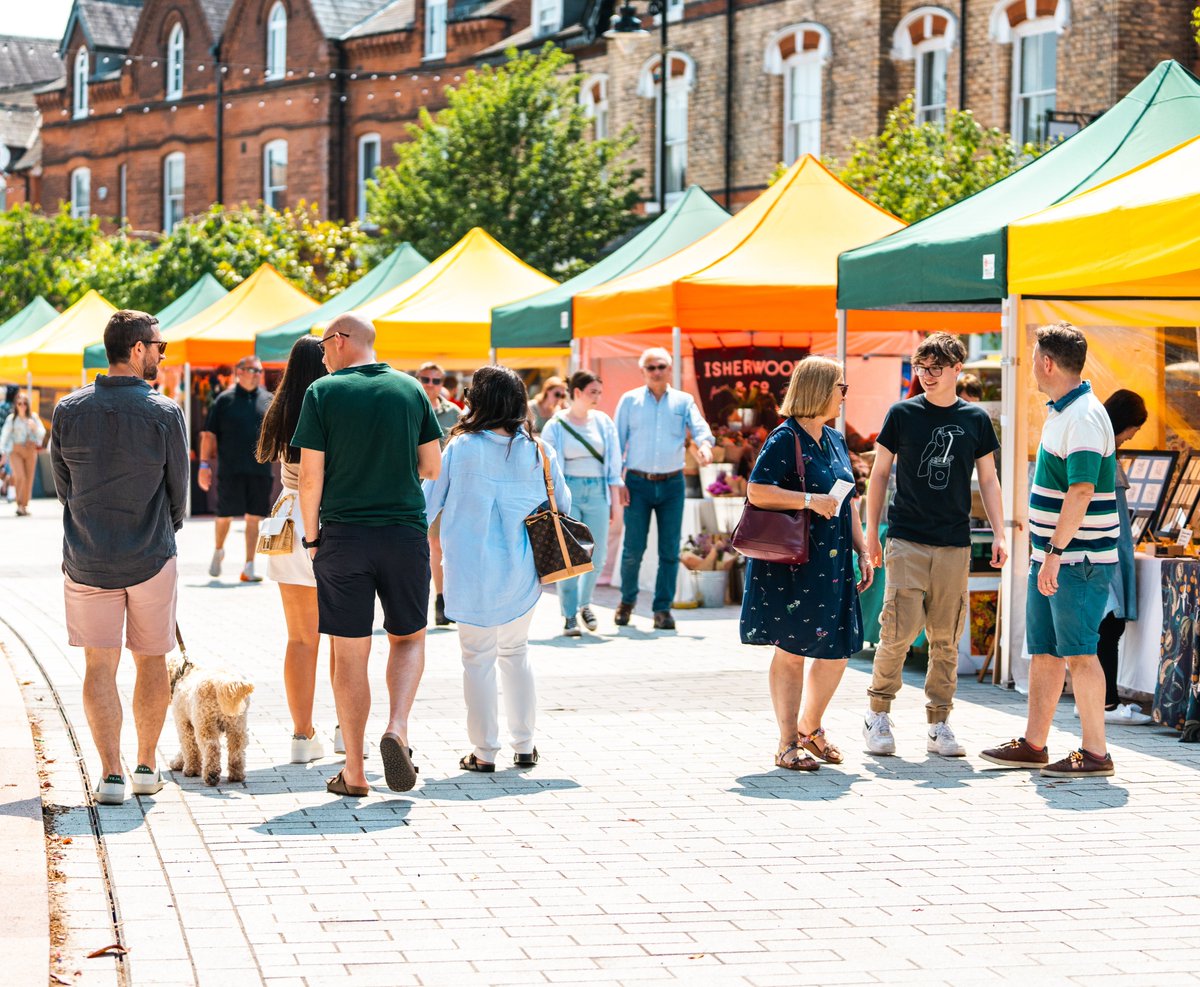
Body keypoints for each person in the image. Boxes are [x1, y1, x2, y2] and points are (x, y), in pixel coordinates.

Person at [293, 313, 443, 797]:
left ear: (340, 341)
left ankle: (354, 771)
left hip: (343, 537)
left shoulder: (323, 393)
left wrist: (312, 539)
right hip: (403, 534)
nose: (320, 354)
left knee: (349, 654)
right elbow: (433, 466)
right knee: (408, 638)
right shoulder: (411, 389)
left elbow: (310, 478)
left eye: (322, 345)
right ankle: (397, 727)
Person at [50, 310, 188, 805]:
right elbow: (179, 496)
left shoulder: (67, 409)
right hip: (151, 553)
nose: (160, 354)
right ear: (136, 349)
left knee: (98, 667)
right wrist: (161, 531)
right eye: (159, 346)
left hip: (87, 554)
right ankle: (146, 766)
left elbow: (64, 486)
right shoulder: (166, 412)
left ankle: (111, 774)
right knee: (152, 661)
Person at [982, 322, 1119, 778]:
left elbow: (1081, 491)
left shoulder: (1082, 416)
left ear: (1046, 362)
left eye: (1033, 359)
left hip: (1075, 558)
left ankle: (1096, 752)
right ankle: (1035, 743)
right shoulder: (1067, 410)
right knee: (1045, 650)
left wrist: (1056, 550)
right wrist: (1048, 552)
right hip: (1057, 555)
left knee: (1080, 652)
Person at [862, 332, 1007, 758]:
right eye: (921, 367)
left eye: (935, 368)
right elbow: (879, 474)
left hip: (954, 541)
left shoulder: (975, 419)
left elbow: (990, 479)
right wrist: (872, 531)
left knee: (946, 637)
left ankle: (939, 723)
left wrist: (1000, 532)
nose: (926, 375)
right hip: (906, 536)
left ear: (957, 369)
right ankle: (878, 713)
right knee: (898, 630)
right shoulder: (902, 414)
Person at [424, 365, 569, 771]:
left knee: (477, 659)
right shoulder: (539, 449)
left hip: (471, 571)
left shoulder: (462, 447)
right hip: (523, 571)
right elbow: (564, 506)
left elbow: (428, 502)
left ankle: (485, 752)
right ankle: (525, 745)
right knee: (516, 653)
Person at [740, 357, 874, 771]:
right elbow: (757, 491)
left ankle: (810, 728)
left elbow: (847, 498)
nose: (844, 395)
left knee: (838, 649)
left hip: (833, 561)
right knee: (792, 649)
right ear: (818, 389)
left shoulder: (833, 439)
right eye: (841, 387)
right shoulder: (784, 439)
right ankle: (785, 743)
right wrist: (807, 500)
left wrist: (863, 549)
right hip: (793, 563)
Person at [255, 335, 339, 763]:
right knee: (345, 633)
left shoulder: (283, 407)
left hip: (287, 518)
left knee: (301, 638)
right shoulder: (333, 403)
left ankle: (302, 736)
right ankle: (347, 726)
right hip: (332, 516)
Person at [614, 347, 714, 630]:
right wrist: (618, 480)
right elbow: (617, 442)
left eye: (661, 366)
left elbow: (701, 430)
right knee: (633, 548)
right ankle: (627, 602)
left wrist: (705, 446)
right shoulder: (630, 400)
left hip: (672, 483)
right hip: (637, 482)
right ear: (643, 371)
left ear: (670, 369)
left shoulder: (683, 400)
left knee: (670, 550)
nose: (656, 372)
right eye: (651, 367)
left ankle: (662, 609)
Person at [541, 371, 623, 636]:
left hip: (598, 489)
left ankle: (585, 603)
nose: (598, 397)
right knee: (570, 554)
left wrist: (614, 499)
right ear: (576, 392)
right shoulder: (556, 424)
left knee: (597, 555)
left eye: (599, 392)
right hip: (569, 489)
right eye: (593, 392)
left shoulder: (603, 422)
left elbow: (614, 463)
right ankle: (569, 614)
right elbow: (548, 465)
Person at [1094, 388, 1152, 725]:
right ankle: (1108, 702)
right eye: (1134, 429)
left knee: (1105, 627)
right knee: (1109, 627)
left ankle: (1104, 700)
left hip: (1106, 548)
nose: (1132, 436)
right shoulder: (1105, 456)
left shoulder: (1102, 451)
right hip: (1108, 550)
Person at [199, 355, 273, 582]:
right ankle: (218, 549)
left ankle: (249, 566)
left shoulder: (269, 399)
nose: (256, 374)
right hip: (230, 469)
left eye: (259, 371)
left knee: (255, 518)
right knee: (224, 515)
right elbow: (209, 435)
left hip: (260, 469)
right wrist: (203, 465)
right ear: (238, 371)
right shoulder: (224, 399)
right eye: (252, 370)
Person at [416, 361, 463, 626]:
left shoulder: (454, 413)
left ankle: (443, 598)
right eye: (425, 379)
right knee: (426, 545)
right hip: (415, 484)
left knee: (441, 544)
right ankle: (432, 598)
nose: (430, 385)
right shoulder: (410, 405)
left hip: (446, 486)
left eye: (436, 380)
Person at [0, 390, 46, 516]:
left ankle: (24, 506)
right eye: (19, 403)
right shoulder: (12, 419)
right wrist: (3, 452)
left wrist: (35, 428)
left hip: (30, 450)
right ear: (16, 405)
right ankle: (19, 504)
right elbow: (4, 436)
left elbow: (42, 433)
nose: (22, 406)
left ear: (27, 405)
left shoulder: (33, 417)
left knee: (29, 478)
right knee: (20, 476)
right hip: (16, 450)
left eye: (24, 403)